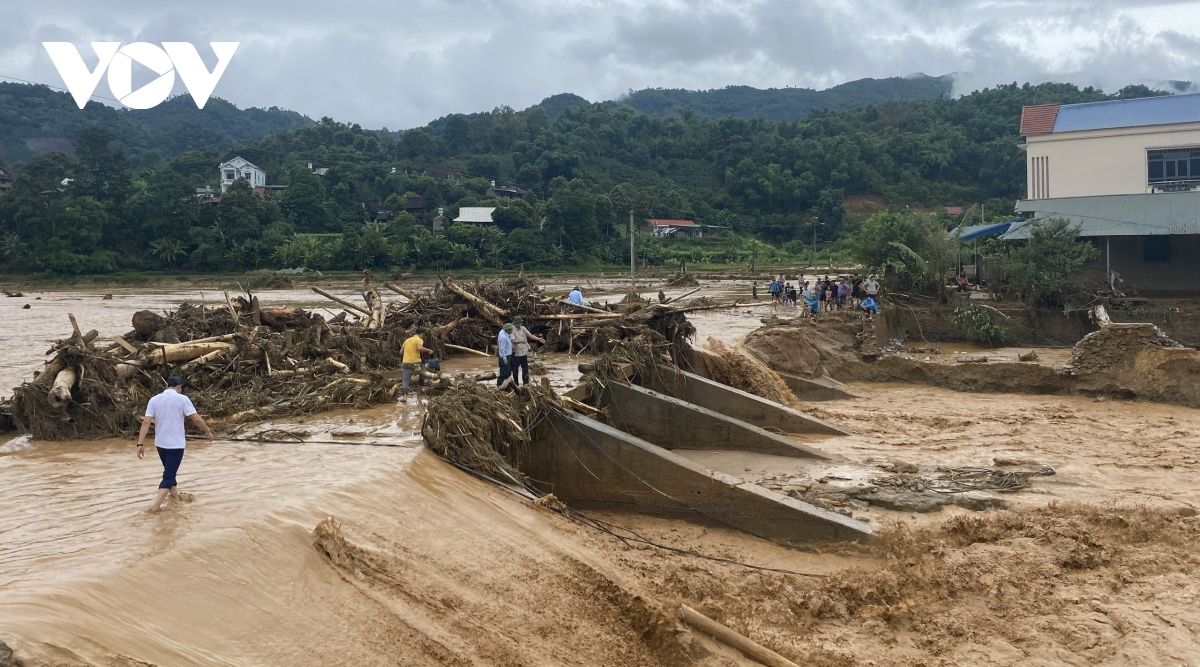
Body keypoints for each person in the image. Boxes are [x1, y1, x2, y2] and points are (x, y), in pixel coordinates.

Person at [136, 376, 213, 513]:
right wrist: (207, 431)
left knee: (170, 471)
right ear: (179, 387)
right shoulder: (182, 399)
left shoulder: (154, 400)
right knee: (168, 476)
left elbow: (146, 422)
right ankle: (154, 508)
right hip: (176, 445)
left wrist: (140, 443)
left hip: (160, 444)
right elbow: (196, 418)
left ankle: (175, 499)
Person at [509, 316, 545, 386]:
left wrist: (539, 339)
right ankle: (516, 384)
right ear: (515, 323)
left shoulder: (523, 328)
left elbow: (530, 335)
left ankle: (526, 383)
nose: (520, 324)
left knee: (525, 369)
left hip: (524, 353)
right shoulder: (512, 330)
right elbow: (513, 341)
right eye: (519, 323)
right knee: (515, 370)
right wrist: (521, 341)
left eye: (520, 323)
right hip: (516, 353)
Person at [400, 327, 433, 402]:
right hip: (416, 362)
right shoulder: (419, 340)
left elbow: (400, 352)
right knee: (422, 373)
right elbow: (419, 348)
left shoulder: (407, 340)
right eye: (423, 335)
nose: (423, 336)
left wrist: (406, 356)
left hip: (406, 362)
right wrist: (429, 350)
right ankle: (419, 391)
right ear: (421, 334)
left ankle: (405, 397)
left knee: (405, 379)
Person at [496, 323, 514, 388]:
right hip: (505, 357)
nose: (512, 330)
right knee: (505, 373)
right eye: (511, 329)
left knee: (507, 372)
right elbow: (502, 349)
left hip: (507, 355)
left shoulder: (504, 333)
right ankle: (499, 386)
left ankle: (506, 386)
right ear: (508, 330)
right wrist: (504, 358)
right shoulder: (504, 337)